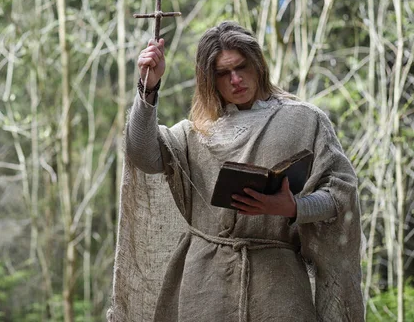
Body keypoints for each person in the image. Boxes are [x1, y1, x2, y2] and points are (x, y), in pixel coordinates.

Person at [108, 21, 364, 322]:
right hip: (204, 284)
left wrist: (295, 207)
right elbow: (142, 154)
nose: (236, 79)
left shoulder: (305, 121)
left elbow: (342, 193)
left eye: (241, 67)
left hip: (278, 284)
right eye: (222, 73)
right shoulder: (195, 134)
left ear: (257, 65)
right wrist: (148, 88)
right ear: (209, 80)